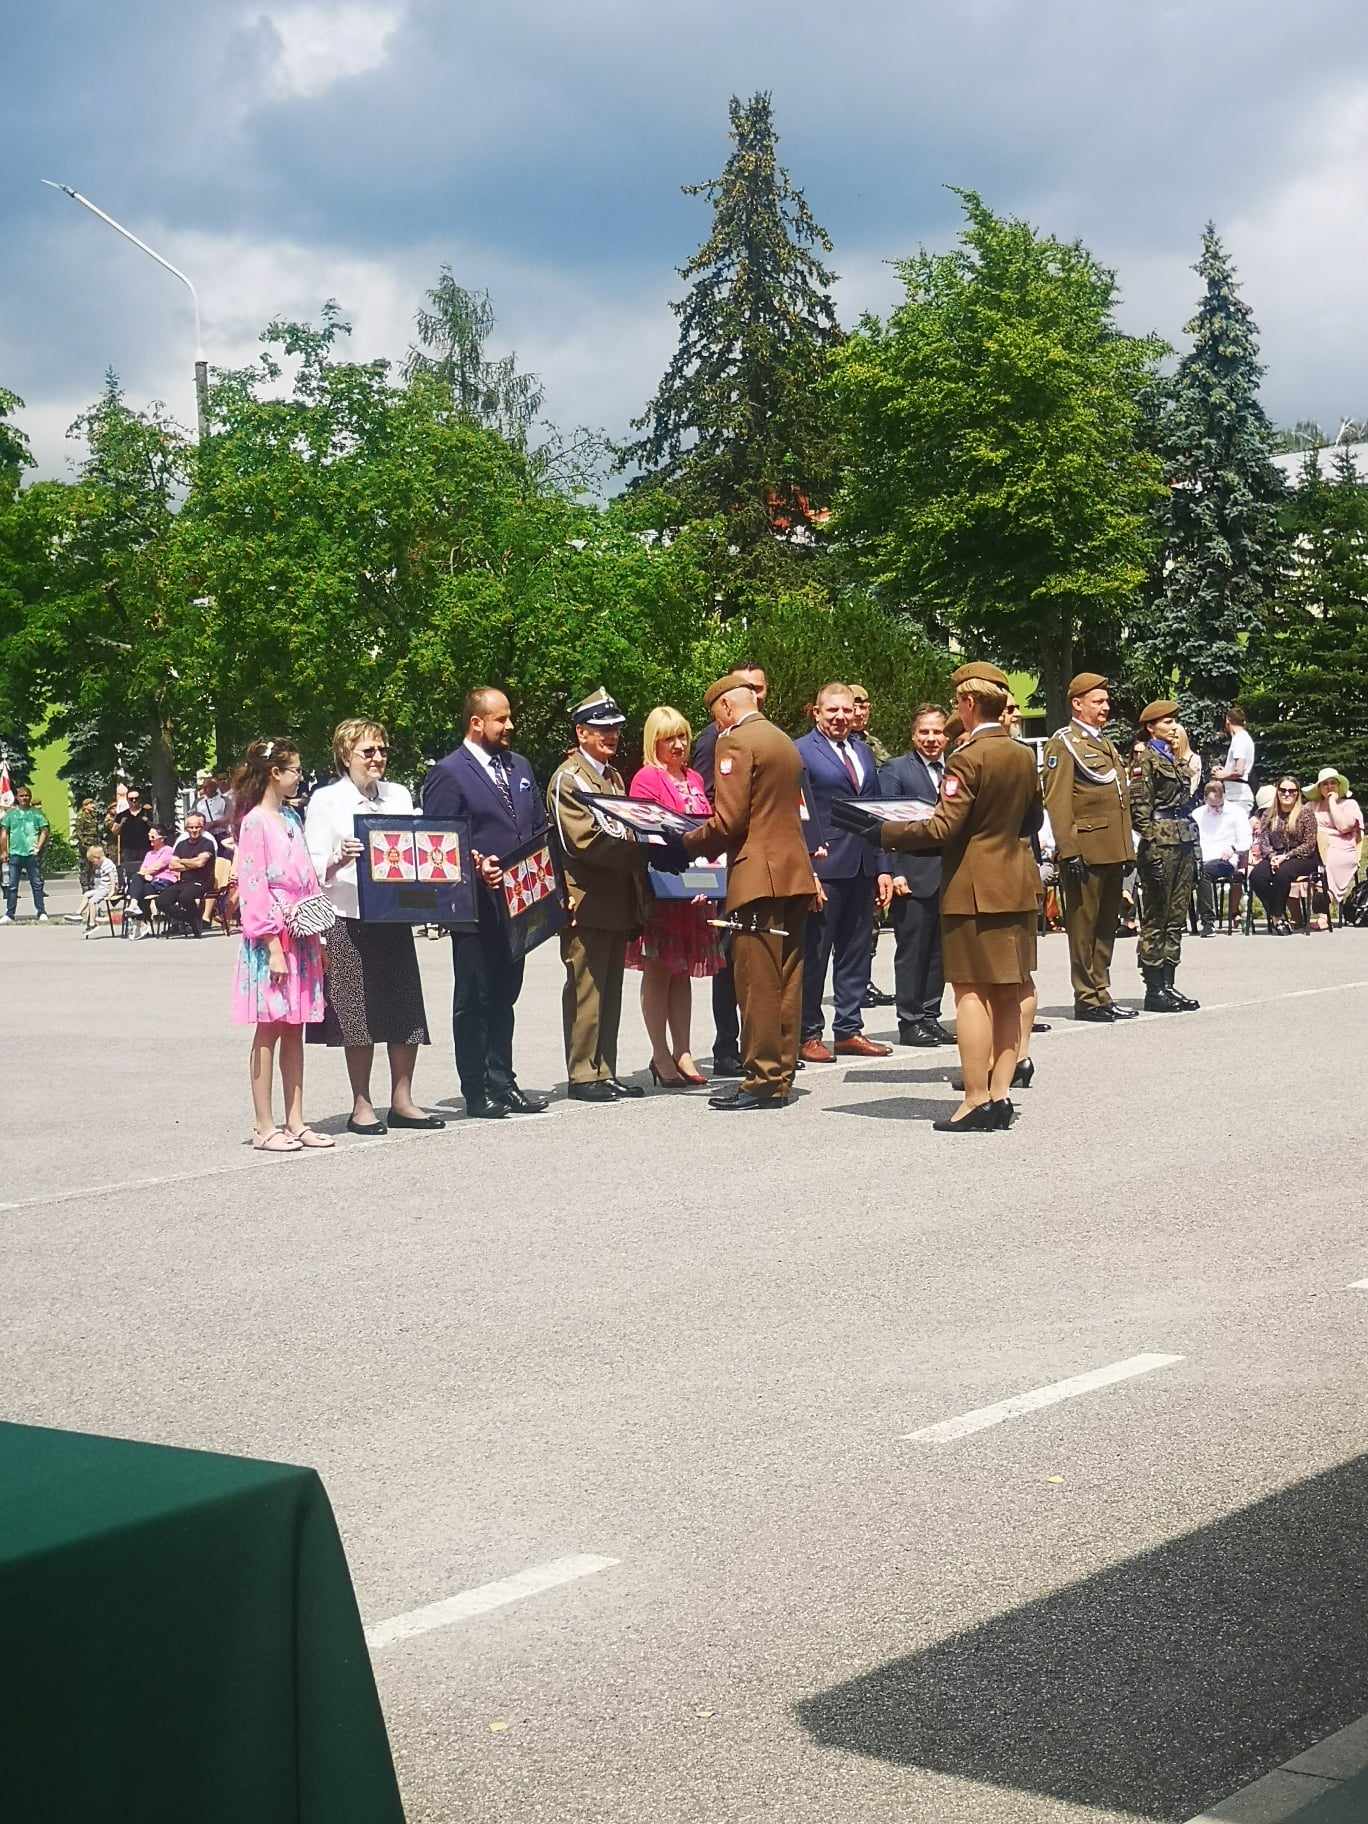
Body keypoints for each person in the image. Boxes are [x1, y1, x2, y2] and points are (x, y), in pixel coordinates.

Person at [879, 664, 1042, 1132]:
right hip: (1015, 883)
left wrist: (886, 832)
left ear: (969, 705)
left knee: (970, 992)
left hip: (973, 889)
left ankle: (975, 1098)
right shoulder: (1021, 754)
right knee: (1009, 992)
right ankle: (1001, 1093)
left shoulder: (967, 758)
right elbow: (1032, 821)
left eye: (957, 704)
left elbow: (943, 828)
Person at [677, 673, 820, 1109]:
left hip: (757, 876)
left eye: (716, 717)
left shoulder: (736, 742)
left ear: (725, 707)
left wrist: (684, 844)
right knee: (788, 979)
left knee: (757, 982)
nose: (717, 725)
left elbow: (730, 820)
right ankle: (781, 1073)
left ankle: (761, 1078)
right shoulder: (783, 740)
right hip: (793, 873)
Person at [305, 718, 443, 1136]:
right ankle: (361, 1104)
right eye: (368, 751)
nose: (378, 757)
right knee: (355, 1012)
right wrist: (338, 857)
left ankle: (403, 1100)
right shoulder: (326, 800)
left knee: (404, 1006)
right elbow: (311, 864)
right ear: (345, 755)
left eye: (382, 750)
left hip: (393, 913)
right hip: (347, 914)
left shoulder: (398, 795)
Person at [422, 691, 550, 1119]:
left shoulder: (520, 767)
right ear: (476, 722)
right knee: (474, 998)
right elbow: (439, 844)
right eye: (501, 719)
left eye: (509, 718)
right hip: (474, 908)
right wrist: (474, 867)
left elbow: (535, 828)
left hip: (517, 904)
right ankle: (476, 1089)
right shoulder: (449, 773)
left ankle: (502, 1080)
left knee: (505, 995)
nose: (509, 726)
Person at [547, 688, 650, 1103]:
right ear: (581, 732)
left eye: (616, 729)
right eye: (602, 729)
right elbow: (583, 842)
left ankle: (604, 1068)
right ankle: (582, 1073)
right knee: (586, 988)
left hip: (616, 897)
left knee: (609, 988)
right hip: (586, 898)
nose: (612, 736)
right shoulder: (569, 779)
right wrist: (644, 851)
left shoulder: (613, 777)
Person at [231, 738, 331, 1153]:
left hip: (301, 932)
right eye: (295, 770)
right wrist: (272, 945)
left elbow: (307, 877)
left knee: (295, 1027)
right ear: (275, 773)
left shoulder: (291, 816)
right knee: (269, 1027)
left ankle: (296, 1120)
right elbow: (253, 885)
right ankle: (264, 1124)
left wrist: (318, 934)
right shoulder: (255, 822)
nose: (300, 777)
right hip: (272, 937)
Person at [625, 706, 724, 1087]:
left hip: (696, 890)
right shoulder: (646, 779)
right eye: (669, 738)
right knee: (659, 971)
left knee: (682, 973)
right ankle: (660, 1053)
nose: (678, 745)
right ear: (654, 742)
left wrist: (707, 880)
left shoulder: (695, 777)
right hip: (664, 889)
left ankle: (683, 1050)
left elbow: (706, 832)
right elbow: (648, 838)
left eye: (682, 736)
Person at [796, 683, 894, 1063]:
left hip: (863, 865)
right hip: (825, 867)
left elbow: (876, 812)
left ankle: (849, 1029)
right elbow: (799, 813)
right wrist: (807, 870)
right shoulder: (801, 752)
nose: (840, 717)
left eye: (846, 710)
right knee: (815, 954)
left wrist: (883, 867)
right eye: (832, 710)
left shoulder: (863, 751)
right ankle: (808, 1032)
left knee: (856, 952)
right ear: (816, 713)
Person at [1041, 672, 1138, 1024]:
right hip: (1085, 850)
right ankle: (1086, 996)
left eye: (1106, 701)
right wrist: (1068, 850)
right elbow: (1057, 801)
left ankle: (1101, 991)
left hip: (1111, 849)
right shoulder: (1064, 744)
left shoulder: (1104, 744)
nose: (1105, 707)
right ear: (1077, 704)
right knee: (1084, 928)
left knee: (1105, 925)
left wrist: (1127, 850)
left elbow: (1119, 802)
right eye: (1097, 701)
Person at [692, 661, 768, 1077]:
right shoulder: (716, 740)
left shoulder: (762, 736)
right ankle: (727, 1045)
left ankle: (759, 1044)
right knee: (729, 958)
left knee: (755, 957)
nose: (757, 695)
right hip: (723, 858)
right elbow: (710, 801)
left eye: (760, 688)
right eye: (749, 688)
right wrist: (695, 851)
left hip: (753, 861)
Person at [878, 705, 954, 1048]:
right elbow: (884, 824)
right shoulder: (896, 770)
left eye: (937, 732)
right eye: (924, 732)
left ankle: (930, 1016)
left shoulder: (955, 769)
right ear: (913, 735)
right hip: (911, 874)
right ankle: (909, 1021)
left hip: (948, 875)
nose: (931, 739)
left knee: (939, 952)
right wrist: (893, 871)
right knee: (913, 952)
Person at [1130, 701, 1202, 1010]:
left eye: (1175, 722)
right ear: (1151, 727)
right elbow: (1139, 809)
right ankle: (1154, 988)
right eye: (1167, 722)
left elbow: (1185, 802)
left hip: (1182, 839)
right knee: (1156, 916)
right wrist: (1151, 847)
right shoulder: (1145, 760)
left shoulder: (1174, 758)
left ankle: (1169, 984)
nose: (1174, 727)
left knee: (1176, 916)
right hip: (1160, 843)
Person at [1249, 775, 1319, 934]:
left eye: (1292, 791)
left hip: (1302, 857)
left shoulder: (1306, 813)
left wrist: (1286, 857)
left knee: (1282, 873)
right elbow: (1263, 840)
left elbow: (1309, 844)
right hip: (1276, 855)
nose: (1287, 794)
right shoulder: (1268, 814)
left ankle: (1276, 916)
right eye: (1283, 790)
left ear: (1297, 793)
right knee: (1256, 876)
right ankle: (1279, 915)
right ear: (1277, 792)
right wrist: (1272, 856)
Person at [1193, 779, 1252, 935]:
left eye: (1219, 805)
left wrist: (1233, 848)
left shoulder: (1237, 812)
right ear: (1205, 799)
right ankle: (1179, 921)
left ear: (1224, 796)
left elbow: (1246, 840)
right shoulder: (1197, 814)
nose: (1216, 809)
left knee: (1203, 872)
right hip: (1201, 858)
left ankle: (1208, 922)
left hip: (1225, 860)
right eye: (1212, 805)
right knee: (1184, 871)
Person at [1305, 767, 1363, 917]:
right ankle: (1304, 915)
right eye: (1325, 784)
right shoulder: (1311, 806)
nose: (1329, 786)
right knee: (1314, 864)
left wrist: (1331, 801)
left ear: (1339, 786)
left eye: (1333, 783)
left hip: (1343, 849)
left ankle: (1323, 913)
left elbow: (1343, 827)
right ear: (1319, 788)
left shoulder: (1350, 805)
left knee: (1326, 865)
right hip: (1315, 849)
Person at [159, 811, 218, 935]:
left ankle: (193, 919)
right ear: (186, 829)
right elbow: (172, 865)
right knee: (161, 901)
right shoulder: (181, 844)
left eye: (197, 827)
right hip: (184, 882)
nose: (194, 830)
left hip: (202, 882)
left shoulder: (207, 843)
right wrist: (193, 863)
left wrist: (182, 861)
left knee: (185, 898)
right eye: (191, 827)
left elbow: (200, 863)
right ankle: (191, 918)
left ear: (202, 828)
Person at [0, 786, 50, 923]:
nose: (24, 798)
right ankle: (9, 914)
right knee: (12, 885)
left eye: (27, 795)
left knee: (36, 884)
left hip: (31, 854)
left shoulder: (37, 813)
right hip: (15, 854)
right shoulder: (11, 814)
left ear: (30, 797)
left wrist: (38, 847)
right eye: (21, 796)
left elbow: (44, 830)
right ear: (17, 797)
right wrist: (4, 851)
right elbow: (4, 833)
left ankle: (41, 912)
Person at [130, 827, 179, 934]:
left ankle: (139, 918)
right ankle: (137, 907)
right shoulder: (149, 854)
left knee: (138, 882)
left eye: (153, 836)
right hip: (151, 883)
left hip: (164, 882)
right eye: (149, 836)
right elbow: (142, 869)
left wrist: (146, 874)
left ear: (162, 838)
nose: (150, 839)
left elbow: (157, 866)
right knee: (139, 883)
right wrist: (145, 875)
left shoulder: (168, 850)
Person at [1210, 706, 1255, 813]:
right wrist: (1224, 770)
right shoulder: (1244, 738)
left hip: (1238, 798)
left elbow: (1239, 771)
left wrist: (1222, 775)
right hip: (1235, 796)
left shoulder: (1240, 739)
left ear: (1228, 720)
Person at [108, 789, 154, 890]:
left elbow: (155, 828)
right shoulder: (122, 815)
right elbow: (114, 831)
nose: (134, 801)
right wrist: (121, 824)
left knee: (144, 869)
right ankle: (130, 889)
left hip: (145, 847)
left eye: (136, 798)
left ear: (139, 799)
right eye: (131, 799)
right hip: (128, 848)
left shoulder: (147, 813)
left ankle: (145, 889)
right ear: (127, 800)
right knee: (129, 870)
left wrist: (148, 822)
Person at [70, 844, 117, 935]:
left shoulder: (107, 864)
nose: (93, 863)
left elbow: (113, 879)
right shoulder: (103, 863)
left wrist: (112, 891)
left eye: (93, 861)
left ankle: (93, 924)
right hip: (102, 888)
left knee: (92, 901)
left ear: (97, 857)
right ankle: (78, 913)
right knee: (86, 895)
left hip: (107, 889)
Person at [73, 798, 102, 891]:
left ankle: (91, 883)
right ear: (85, 806)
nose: (93, 806)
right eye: (91, 804)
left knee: (92, 865)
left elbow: (96, 831)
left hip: (93, 843)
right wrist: (84, 843)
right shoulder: (81, 817)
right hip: (85, 844)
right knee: (85, 865)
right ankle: (85, 884)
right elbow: (79, 832)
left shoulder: (93, 816)